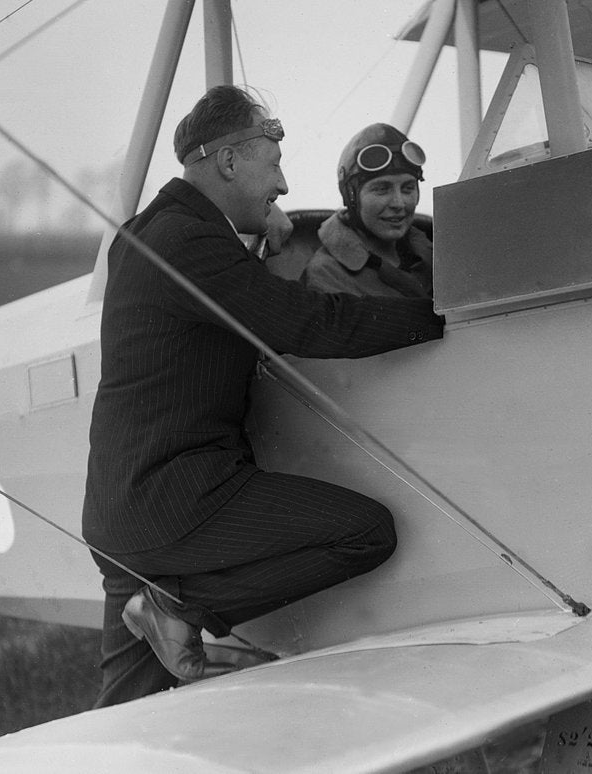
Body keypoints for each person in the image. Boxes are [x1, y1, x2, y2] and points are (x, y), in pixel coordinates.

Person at [81, 85, 444, 708]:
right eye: (273, 165)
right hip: (176, 498)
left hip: (124, 512)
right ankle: (179, 605)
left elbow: (209, 305)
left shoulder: (153, 231)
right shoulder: (189, 242)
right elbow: (306, 324)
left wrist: (249, 237)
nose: (281, 186)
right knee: (365, 532)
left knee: (124, 717)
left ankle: (163, 607)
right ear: (228, 162)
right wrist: (439, 315)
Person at [301, 123, 433, 297]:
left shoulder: (433, 254)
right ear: (351, 197)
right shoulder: (327, 275)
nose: (399, 203)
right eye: (382, 189)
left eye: (408, 188)